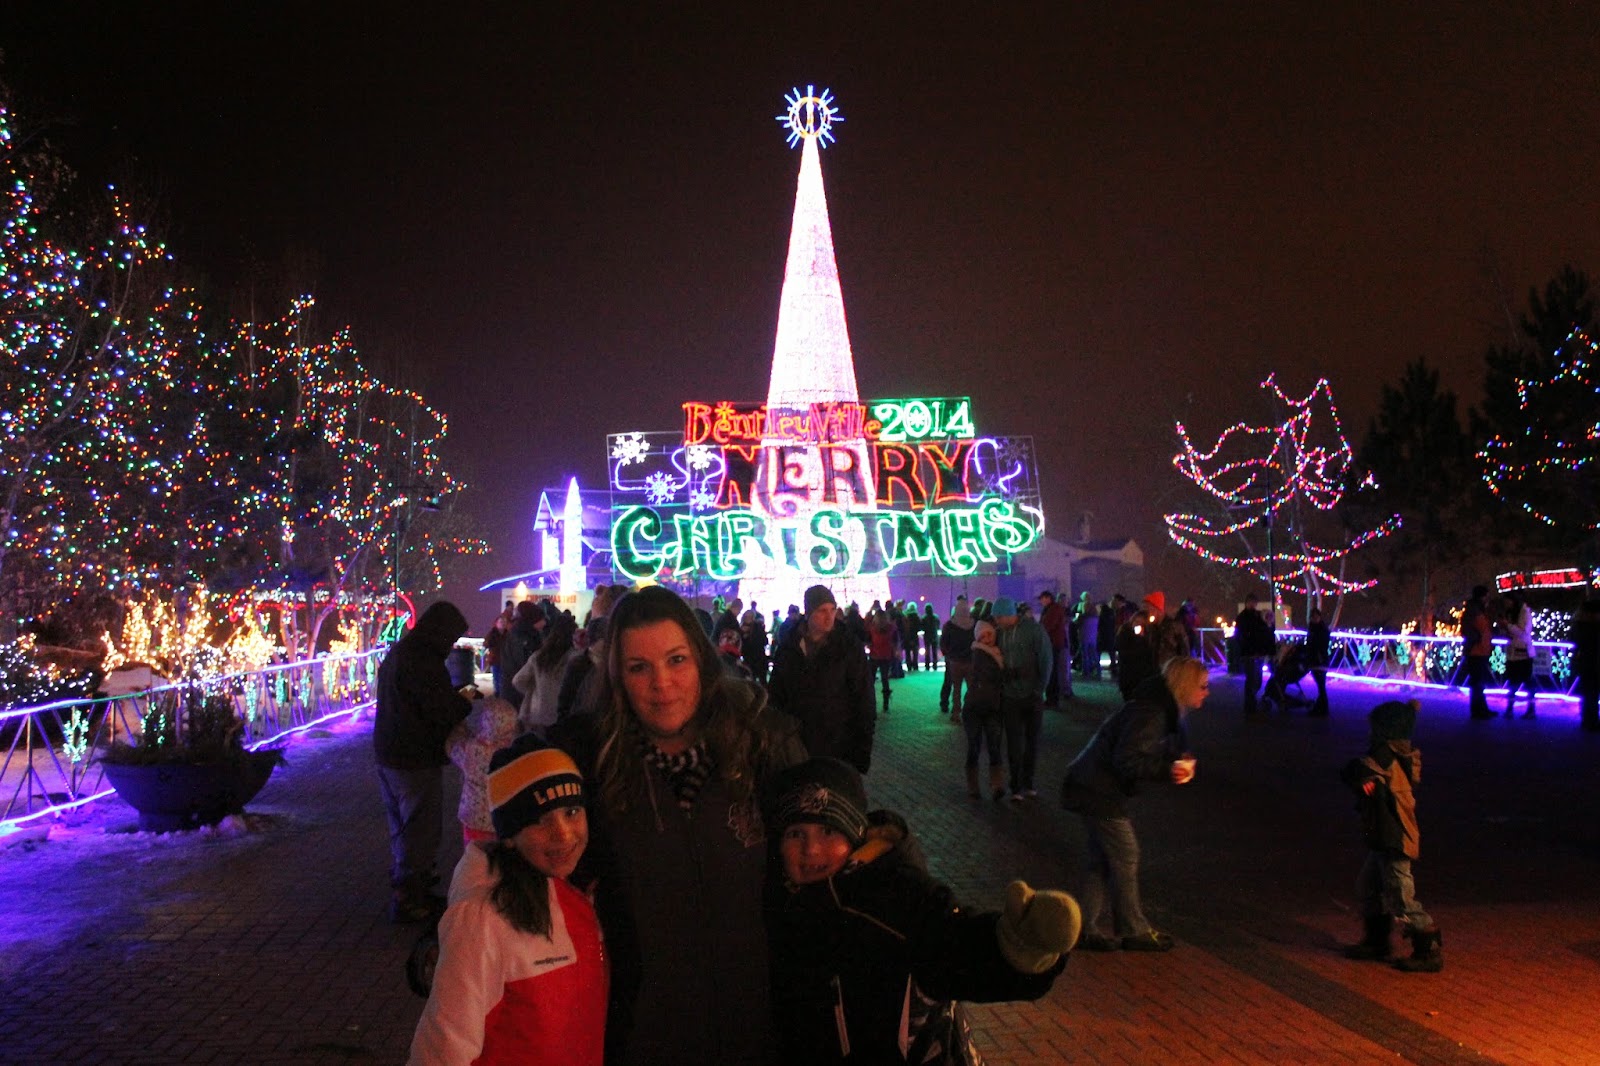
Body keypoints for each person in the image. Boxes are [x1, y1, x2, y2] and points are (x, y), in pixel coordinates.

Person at [548, 585, 806, 1065]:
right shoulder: (587, 765)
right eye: (638, 667)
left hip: (759, 1029)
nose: (661, 684)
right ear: (618, 677)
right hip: (641, 1034)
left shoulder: (763, 745)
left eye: (676, 660)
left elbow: (826, 842)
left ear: (702, 661)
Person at [763, 757, 1079, 1066]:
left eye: (829, 832)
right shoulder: (782, 899)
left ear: (856, 833)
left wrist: (1017, 947)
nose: (811, 849)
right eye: (795, 834)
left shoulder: (896, 895)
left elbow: (957, 945)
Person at [410, 739, 608, 1064]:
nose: (564, 834)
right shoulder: (482, 918)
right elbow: (442, 1050)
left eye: (571, 812)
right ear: (510, 836)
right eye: (539, 820)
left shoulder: (574, 892)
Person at [1060, 656, 1209, 953]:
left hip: (1090, 785)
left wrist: (1174, 760)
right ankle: (1133, 929)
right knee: (1126, 855)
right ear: (1185, 686)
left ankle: (1083, 928)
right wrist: (1168, 770)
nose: (1206, 692)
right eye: (1203, 686)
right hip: (1098, 789)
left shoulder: (1159, 708)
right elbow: (1127, 759)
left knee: (1100, 861)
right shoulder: (1152, 713)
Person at [375, 600, 475, 924]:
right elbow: (439, 710)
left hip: (389, 752)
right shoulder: (423, 661)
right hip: (413, 756)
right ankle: (410, 898)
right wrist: (464, 702)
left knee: (402, 826)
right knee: (420, 828)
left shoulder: (403, 651)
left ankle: (410, 887)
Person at [1339, 699, 1441, 972]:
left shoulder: (1388, 755)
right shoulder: (1393, 753)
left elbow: (1357, 770)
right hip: (1383, 836)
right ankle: (1377, 940)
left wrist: (1364, 781)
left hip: (1394, 837)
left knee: (1402, 896)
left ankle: (1427, 946)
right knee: (1368, 887)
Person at [767, 584, 877, 773]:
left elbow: (864, 698)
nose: (829, 617)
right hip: (796, 747)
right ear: (808, 613)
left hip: (837, 745)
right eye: (822, 611)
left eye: (832, 610)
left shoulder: (848, 647)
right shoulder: (789, 647)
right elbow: (777, 696)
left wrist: (862, 750)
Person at [993, 596, 1052, 801]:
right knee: (1014, 742)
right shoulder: (1000, 634)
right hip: (1010, 695)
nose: (996, 622)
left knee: (1032, 741)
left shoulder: (1034, 631)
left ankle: (1028, 782)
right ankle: (1016, 785)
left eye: (998, 617)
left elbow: (1046, 660)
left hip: (1031, 694)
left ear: (1008, 615)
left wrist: (1039, 689)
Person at [445, 695, 521, 843]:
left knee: (474, 856)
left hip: (474, 818)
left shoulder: (471, 749)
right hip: (503, 818)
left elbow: (451, 748)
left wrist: (459, 726)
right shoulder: (515, 754)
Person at [512, 613, 579, 733]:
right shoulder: (576, 659)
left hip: (537, 714)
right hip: (563, 716)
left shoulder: (539, 657)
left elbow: (517, 680)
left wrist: (534, 689)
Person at [964, 620, 1007, 800]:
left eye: (990, 634)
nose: (987, 638)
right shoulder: (979, 654)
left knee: (994, 746)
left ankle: (995, 784)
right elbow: (992, 675)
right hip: (976, 707)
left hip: (991, 706)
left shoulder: (997, 653)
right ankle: (975, 785)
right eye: (983, 635)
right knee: (976, 746)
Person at [1234, 592, 1275, 715]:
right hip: (1249, 653)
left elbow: (1266, 630)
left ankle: (1252, 703)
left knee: (1257, 679)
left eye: (1254, 603)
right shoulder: (1242, 618)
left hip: (1258, 653)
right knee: (1251, 679)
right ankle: (1250, 706)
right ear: (1247, 603)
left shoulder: (1257, 616)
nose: (1253, 605)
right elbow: (1239, 636)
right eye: (1251, 602)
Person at [939, 597, 976, 717]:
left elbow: (943, 642)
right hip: (970, 661)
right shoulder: (973, 624)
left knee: (956, 688)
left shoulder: (950, 625)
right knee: (971, 687)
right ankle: (971, 710)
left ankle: (956, 711)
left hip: (954, 661)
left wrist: (947, 655)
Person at [1462, 585, 1494, 719]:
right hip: (1476, 651)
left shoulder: (1476, 610)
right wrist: (1477, 639)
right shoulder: (1474, 611)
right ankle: (1478, 711)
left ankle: (1481, 709)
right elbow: (1470, 629)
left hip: (1480, 650)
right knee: (1477, 682)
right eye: (1486, 595)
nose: (1488, 598)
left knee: (1479, 682)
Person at [1500, 594, 1534, 718]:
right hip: (1513, 652)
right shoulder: (1511, 613)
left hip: (1523, 652)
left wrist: (1508, 626)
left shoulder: (1524, 612)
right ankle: (1510, 708)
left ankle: (1530, 709)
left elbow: (1524, 632)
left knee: (1526, 681)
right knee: (1513, 681)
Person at [1037, 590, 1072, 707]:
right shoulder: (1054, 609)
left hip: (1053, 643)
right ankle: (1052, 698)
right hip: (1054, 642)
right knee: (1053, 671)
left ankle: (1052, 699)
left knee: (1052, 672)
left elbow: (1048, 625)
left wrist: (1040, 630)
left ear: (1047, 598)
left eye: (1042, 599)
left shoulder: (1053, 609)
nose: (1041, 602)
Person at [865, 605, 899, 715]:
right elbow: (895, 642)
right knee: (885, 679)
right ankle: (885, 702)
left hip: (874, 656)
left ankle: (871, 702)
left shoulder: (872, 628)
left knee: (871, 681)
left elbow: (868, 641)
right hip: (886, 656)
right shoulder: (891, 628)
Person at [1573, 600, 1600, 732]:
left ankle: (1587, 719)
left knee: (1588, 692)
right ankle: (1591, 720)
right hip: (1593, 663)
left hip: (1585, 663)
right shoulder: (1593, 627)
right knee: (1592, 692)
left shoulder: (1579, 626)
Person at [1305, 605, 1332, 717]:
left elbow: (1321, 644)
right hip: (1314, 660)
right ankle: (1321, 707)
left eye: (1316, 617)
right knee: (1320, 685)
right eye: (1313, 617)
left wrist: (1318, 654)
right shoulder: (1313, 628)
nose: (1315, 619)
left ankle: (1322, 708)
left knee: (1321, 685)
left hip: (1320, 660)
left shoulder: (1321, 629)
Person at [1073, 592, 1099, 680]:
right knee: (1094, 653)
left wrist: (1076, 619)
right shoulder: (1095, 614)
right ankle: (1097, 670)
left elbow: (1076, 621)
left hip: (1084, 635)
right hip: (1093, 636)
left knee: (1085, 654)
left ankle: (1085, 671)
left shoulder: (1083, 614)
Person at [920, 603, 941, 670]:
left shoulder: (924, 618)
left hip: (927, 636)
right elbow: (938, 626)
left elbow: (922, 628)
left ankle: (927, 666)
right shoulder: (936, 617)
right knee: (934, 651)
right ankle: (935, 665)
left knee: (927, 652)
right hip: (934, 636)